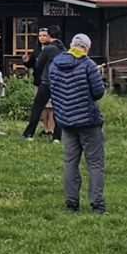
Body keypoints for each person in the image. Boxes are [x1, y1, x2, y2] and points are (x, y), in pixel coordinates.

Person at [48, 33, 109, 213]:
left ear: (71, 45)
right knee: (95, 163)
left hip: (65, 120)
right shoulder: (88, 65)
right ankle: (97, 204)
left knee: (70, 162)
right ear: (86, 48)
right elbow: (98, 92)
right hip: (88, 121)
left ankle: (71, 203)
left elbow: (53, 89)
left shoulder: (55, 64)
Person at [22, 27, 61, 141]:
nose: (42, 38)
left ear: (49, 36)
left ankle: (29, 134)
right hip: (58, 82)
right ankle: (56, 135)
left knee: (39, 107)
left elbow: (38, 64)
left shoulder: (48, 49)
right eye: (40, 36)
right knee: (57, 108)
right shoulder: (62, 48)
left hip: (46, 81)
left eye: (44, 35)